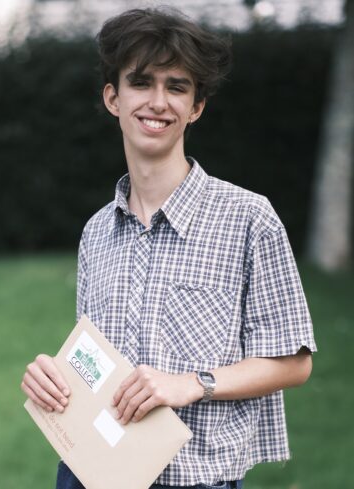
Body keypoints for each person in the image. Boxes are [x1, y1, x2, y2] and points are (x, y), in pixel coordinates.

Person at [21, 7, 317, 489]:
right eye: (142, 82)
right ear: (113, 98)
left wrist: (190, 384)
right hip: (88, 472)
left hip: (196, 478)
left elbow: (295, 361)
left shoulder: (247, 217)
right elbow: (93, 365)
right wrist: (53, 377)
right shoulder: (96, 231)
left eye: (176, 86)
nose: (158, 101)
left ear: (196, 107)